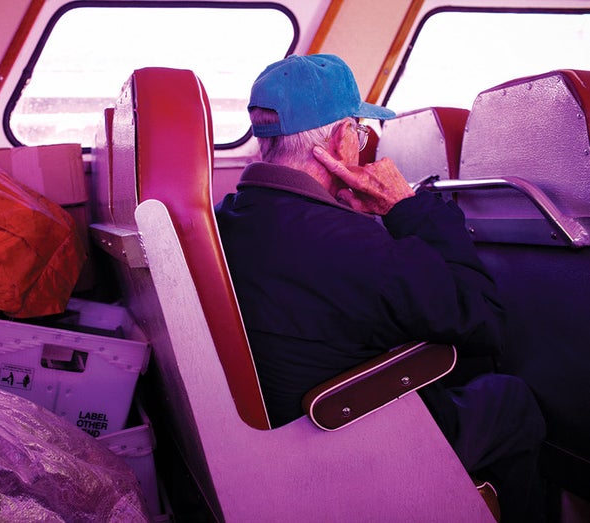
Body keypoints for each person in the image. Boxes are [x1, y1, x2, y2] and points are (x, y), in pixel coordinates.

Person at [215, 54, 546, 522]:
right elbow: (484, 318)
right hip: (348, 435)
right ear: (337, 138)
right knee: (510, 400)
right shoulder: (355, 247)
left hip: (281, 420)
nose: (362, 144)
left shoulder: (228, 218)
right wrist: (407, 208)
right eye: (361, 131)